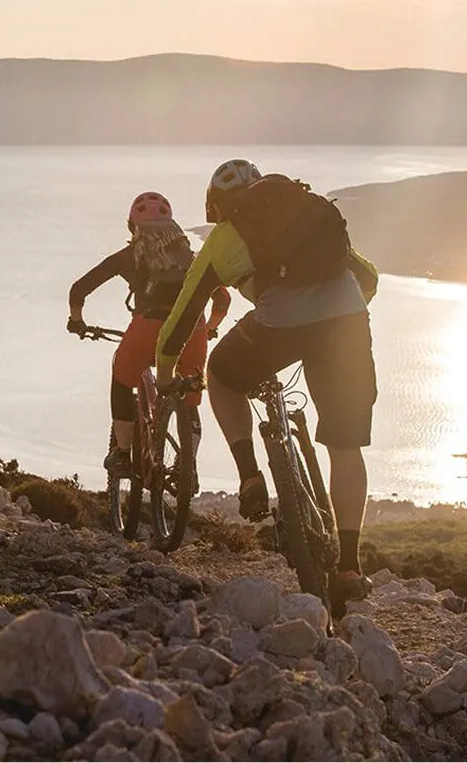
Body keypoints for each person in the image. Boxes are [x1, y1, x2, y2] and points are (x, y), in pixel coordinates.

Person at [155, 160, 378, 616]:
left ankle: (250, 474)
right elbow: (367, 277)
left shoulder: (223, 236)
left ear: (216, 205)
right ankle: (350, 567)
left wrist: (164, 375)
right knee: (346, 445)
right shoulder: (306, 208)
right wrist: (343, 313)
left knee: (221, 372)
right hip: (347, 323)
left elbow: (182, 317)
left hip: (279, 327)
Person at [68, 190, 230, 486]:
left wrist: (77, 321)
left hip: (147, 327)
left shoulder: (128, 256)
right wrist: (208, 329)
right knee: (191, 397)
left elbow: (79, 289)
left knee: (122, 378)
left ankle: (123, 453)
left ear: (132, 226)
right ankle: (187, 466)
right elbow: (222, 300)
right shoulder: (191, 257)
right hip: (191, 330)